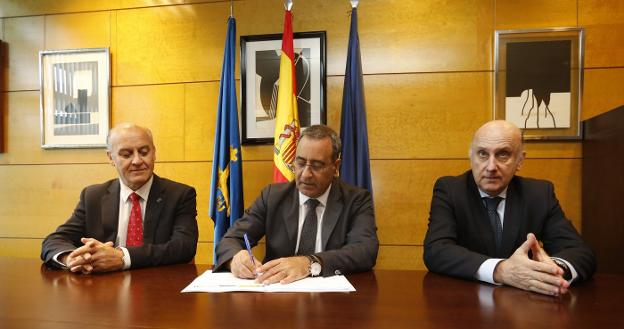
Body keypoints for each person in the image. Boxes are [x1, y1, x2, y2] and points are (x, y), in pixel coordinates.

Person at [423, 120, 595, 296]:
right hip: (464, 304)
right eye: (482, 154)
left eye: (503, 154)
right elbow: (436, 250)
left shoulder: (539, 194)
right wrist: (500, 270)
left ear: (519, 161)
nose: (491, 167)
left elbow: (580, 253)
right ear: (471, 156)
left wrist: (552, 270)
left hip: (524, 308)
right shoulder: (450, 190)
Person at [214, 125, 378, 284]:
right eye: (300, 163)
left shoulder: (356, 200)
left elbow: (365, 251)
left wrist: (309, 263)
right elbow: (231, 239)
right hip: (278, 293)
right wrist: (235, 258)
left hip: (333, 298)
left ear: (335, 167)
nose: (306, 174)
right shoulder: (273, 196)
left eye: (317, 165)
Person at [41, 123, 198, 274]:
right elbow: (54, 240)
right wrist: (71, 258)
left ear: (154, 153)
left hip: (159, 288)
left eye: (144, 152)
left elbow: (183, 247)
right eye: (126, 154)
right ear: (110, 158)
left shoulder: (180, 195)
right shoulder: (93, 196)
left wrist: (123, 257)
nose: (137, 161)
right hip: (104, 291)